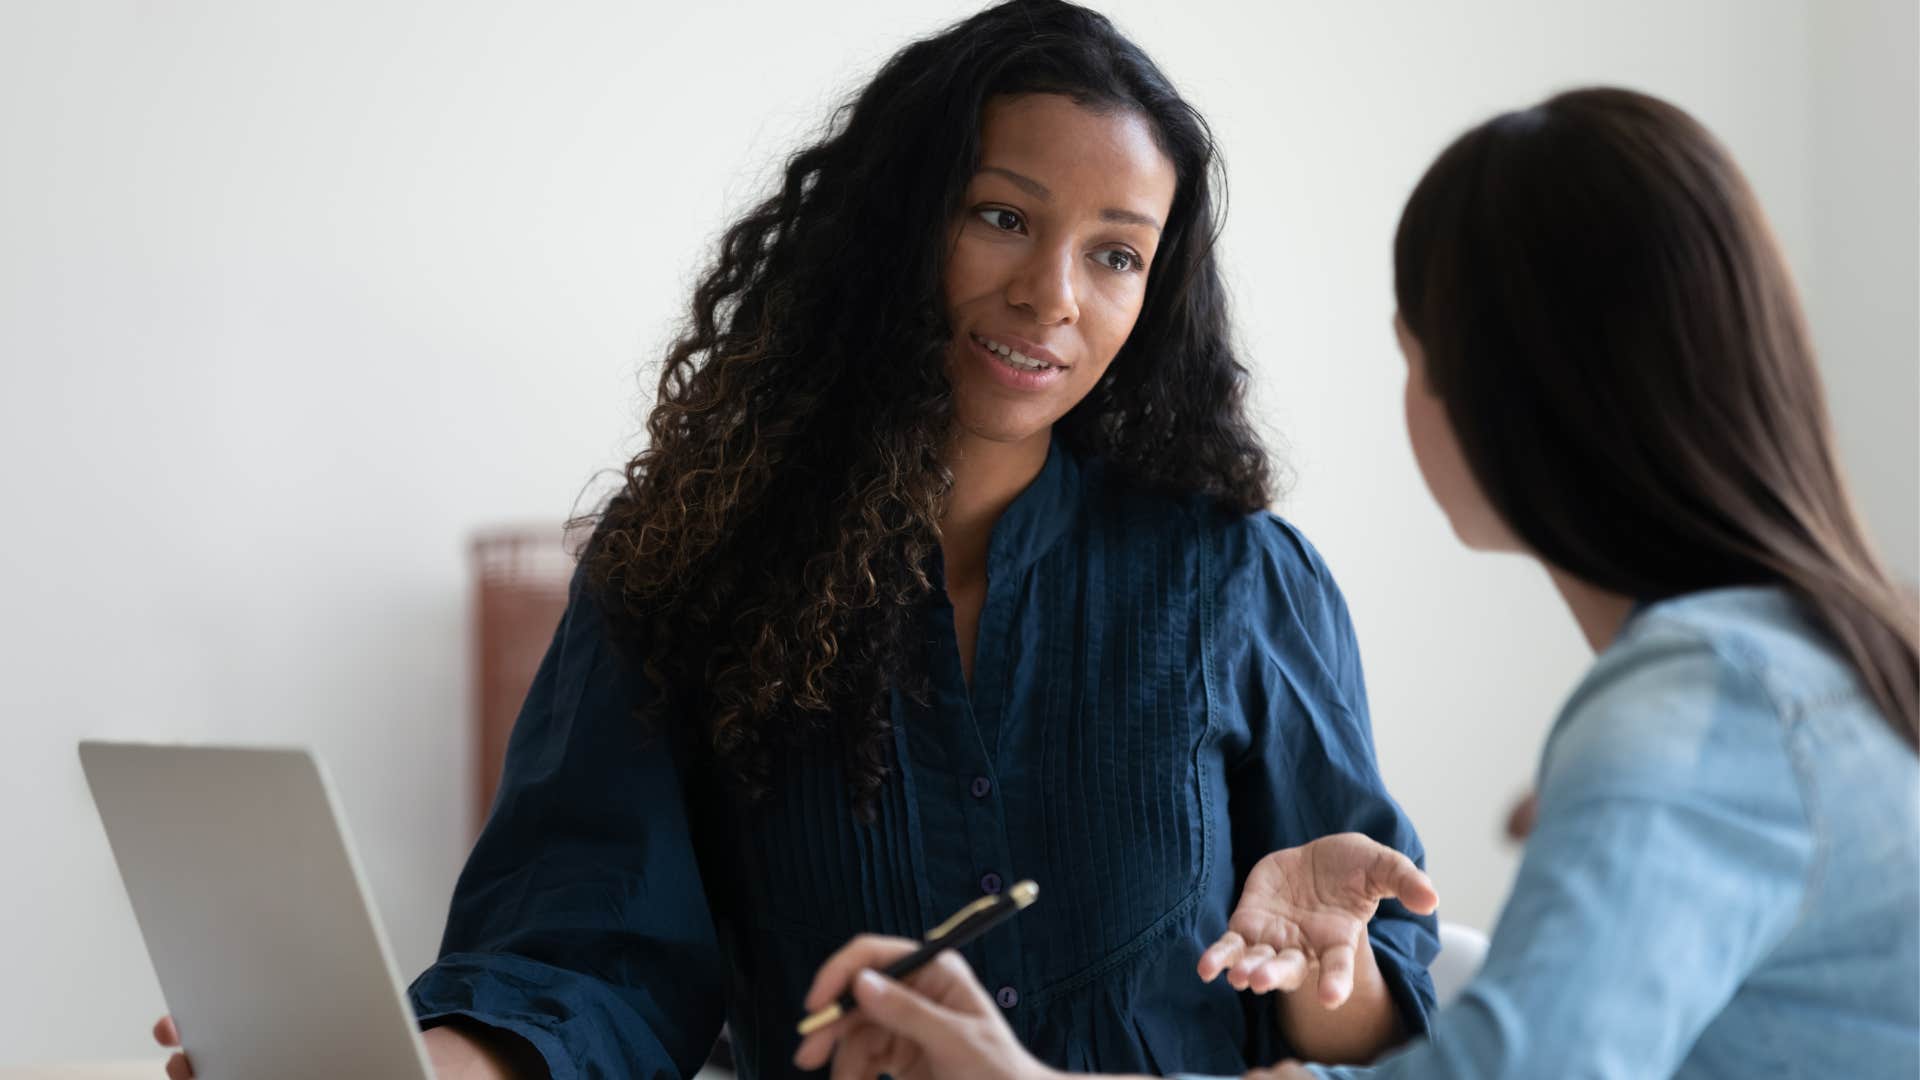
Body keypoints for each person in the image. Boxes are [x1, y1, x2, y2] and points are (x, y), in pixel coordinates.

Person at [153, 3, 1439, 1078]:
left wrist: (1329, 974)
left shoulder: (1239, 579)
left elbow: (1377, 1014)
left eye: (1116, 254)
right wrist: (415, 1068)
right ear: (895, 228)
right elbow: (584, 968)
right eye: (1001, 216)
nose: (1051, 295)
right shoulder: (690, 571)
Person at [791, 86, 1920, 1080]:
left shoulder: (1697, 706)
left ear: (1503, 386)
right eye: (1000, 216)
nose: (1052, 297)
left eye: (1413, 350)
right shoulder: (1796, 669)